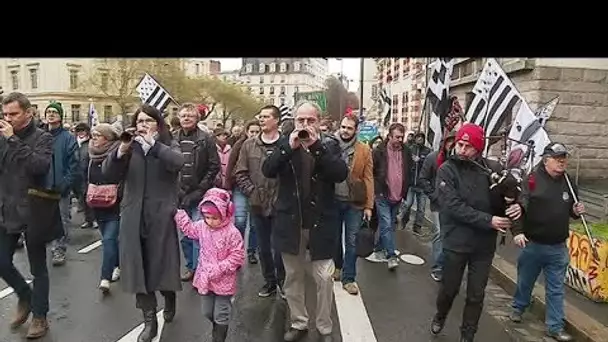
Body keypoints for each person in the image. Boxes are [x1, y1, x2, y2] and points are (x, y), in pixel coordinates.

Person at [262, 101, 348, 342]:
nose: (305, 125)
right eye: (301, 120)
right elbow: (268, 169)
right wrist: (287, 148)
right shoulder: (285, 143)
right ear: (294, 121)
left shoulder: (329, 144)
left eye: (311, 120)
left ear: (319, 122)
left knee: (324, 278)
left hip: (322, 223)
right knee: (293, 276)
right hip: (291, 223)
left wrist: (316, 147)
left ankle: (324, 327)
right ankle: (299, 322)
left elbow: (340, 173)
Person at [430, 123, 521, 342]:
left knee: (476, 294)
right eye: (460, 144)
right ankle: (441, 314)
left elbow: (510, 198)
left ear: (478, 149)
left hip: (483, 245)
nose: (461, 150)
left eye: (468, 146)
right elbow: (452, 206)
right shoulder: (447, 170)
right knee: (449, 289)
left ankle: (468, 334)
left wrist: (514, 201)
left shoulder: (492, 170)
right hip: (456, 242)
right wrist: (488, 220)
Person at [102, 104, 184, 342]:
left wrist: (155, 147)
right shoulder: (129, 146)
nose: (143, 125)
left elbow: (178, 162)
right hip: (133, 215)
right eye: (140, 121)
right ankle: (149, 320)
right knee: (138, 266)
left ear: (158, 124)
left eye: (149, 121)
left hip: (160, 215)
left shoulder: (168, 144)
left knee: (162, 264)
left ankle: (169, 296)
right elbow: (108, 172)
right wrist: (121, 151)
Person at [509, 142, 584, 342]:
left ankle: (555, 326)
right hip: (532, 244)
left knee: (556, 289)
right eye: (557, 157)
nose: (562, 161)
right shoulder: (532, 180)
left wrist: (575, 212)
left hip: (558, 247)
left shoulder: (568, 182)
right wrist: (517, 232)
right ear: (546, 159)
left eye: (564, 157)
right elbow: (519, 208)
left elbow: (570, 210)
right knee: (525, 282)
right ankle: (518, 307)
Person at [1, 92, 61, 339]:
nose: (8, 119)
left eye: (13, 114)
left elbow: (39, 166)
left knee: (38, 268)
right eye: (5, 114)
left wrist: (13, 140)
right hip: (7, 208)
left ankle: (40, 316)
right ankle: (25, 295)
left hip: (35, 209)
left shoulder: (43, 137)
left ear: (28, 113)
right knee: (2, 261)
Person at [174, 188, 244, 342]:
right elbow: (190, 230)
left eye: (214, 217)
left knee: (221, 313)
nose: (210, 221)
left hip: (224, 280)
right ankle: (218, 326)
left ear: (225, 213)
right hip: (206, 279)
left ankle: (219, 336)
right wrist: (179, 215)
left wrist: (220, 268)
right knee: (207, 311)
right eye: (207, 217)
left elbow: (237, 256)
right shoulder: (202, 226)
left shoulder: (232, 233)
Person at [235, 105, 286, 298]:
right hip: (257, 204)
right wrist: (252, 192)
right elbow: (240, 172)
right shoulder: (249, 145)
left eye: (266, 116)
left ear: (276, 120)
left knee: (279, 247)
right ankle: (269, 281)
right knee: (263, 246)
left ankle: (282, 281)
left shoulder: (286, 144)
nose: (262, 119)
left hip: (281, 204)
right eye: (260, 116)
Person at [174, 103, 220, 283]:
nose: (186, 118)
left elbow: (214, 165)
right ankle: (190, 266)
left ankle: (199, 269)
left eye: (190, 116)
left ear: (196, 119)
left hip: (198, 193)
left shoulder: (206, 139)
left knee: (198, 234)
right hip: (178, 193)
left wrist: (201, 188)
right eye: (183, 115)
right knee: (185, 234)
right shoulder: (172, 138)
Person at [332, 115, 374, 295]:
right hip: (333, 200)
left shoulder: (364, 150)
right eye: (343, 127)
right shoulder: (330, 146)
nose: (345, 130)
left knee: (352, 241)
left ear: (356, 130)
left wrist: (369, 206)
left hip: (354, 203)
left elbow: (368, 178)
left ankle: (349, 277)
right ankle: (338, 267)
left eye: (349, 128)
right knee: (334, 238)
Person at [370, 123, 413, 269]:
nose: (400, 140)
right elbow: (372, 171)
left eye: (402, 137)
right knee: (387, 224)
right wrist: (375, 189)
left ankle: (377, 247)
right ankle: (391, 255)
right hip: (382, 194)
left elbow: (409, 170)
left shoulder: (406, 151)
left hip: (398, 195)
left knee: (387, 225)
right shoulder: (379, 151)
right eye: (397, 137)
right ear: (389, 136)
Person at [87, 123, 122, 293]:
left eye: (98, 135)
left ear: (108, 138)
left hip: (115, 204)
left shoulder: (118, 153)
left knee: (108, 240)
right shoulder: (91, 153)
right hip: (97, 203)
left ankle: (105, 277)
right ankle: (117, 264)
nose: (93, 138)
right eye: (93, 135)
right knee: (110, 240)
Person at [418, 130, 456, 282]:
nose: (451, 145)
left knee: (450, 235)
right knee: (439, 233)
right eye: (449, 142)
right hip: (438, 204)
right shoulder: (433, 158)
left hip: (454, 205)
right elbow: (423, 178)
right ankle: (437, 267)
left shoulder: (459, 161)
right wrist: (434, 195)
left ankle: (448, 265)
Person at [44, 102, 79, 266]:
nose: (51, 114)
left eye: (54, 112)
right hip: (42, 187)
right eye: (48, 112)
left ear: (60, 116)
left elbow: (74, 164)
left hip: (60, 188)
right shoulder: (40, 135)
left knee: (62, 219)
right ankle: (50, 245)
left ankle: (59, 249)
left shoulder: (68, 138)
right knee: (45, 220)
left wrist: (66, 183)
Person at [225, 120, 259, 265]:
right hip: (240, 186)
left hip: (257, 188)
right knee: (240, 220)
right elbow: (230, 165)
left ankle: (252, 250)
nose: (254, 135)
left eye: (257, 132)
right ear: (247, 132)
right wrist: (227, 186)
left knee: (255, 223)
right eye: (252, 131)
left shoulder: (263, 146)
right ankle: (237, 251)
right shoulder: (239, 145)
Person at [399, 132, 431, 234]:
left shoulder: (427, 151)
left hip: (422, 185)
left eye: (421, 138)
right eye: (418, 138)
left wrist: (420, 160)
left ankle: (417, 227)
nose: (419, 140)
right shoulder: (410, 149)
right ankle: (403, 219)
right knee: (407, 204)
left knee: (421, 209)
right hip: (411, 184)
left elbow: (429, 165)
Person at [74, 122, 97, 229]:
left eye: (83, 131)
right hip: (78, 175)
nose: (81, 133)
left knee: (91, 198)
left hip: (89, 175)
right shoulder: (75, 143)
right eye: (79, 131)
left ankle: (95, 219)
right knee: (83, 198)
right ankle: (88, 219)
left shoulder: (91, 143)